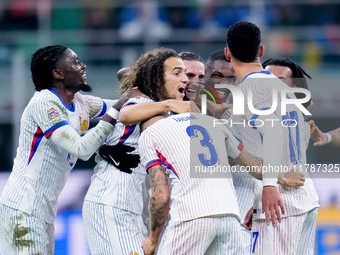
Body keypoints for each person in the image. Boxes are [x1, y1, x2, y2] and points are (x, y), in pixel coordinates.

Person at [0, 45, 121, 254]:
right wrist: (117, 111)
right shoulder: (45, 102)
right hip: (24, 209)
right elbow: (81, 148)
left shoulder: (81, 102)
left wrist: (166, 102)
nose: (82, 65)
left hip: (41, 213)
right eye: (75, 61)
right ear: (58, 73)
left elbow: (125, 109)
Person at [83, 47, 199, 255]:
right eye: (178, 73)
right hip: (113, 203)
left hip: (131, 207)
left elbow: (126, 73)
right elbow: (127, 113)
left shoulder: (160, 105)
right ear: (156, 79)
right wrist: (169, 102)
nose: (186, 80)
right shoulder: (144, 102)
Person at [139, 112, 305, 255]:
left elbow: (161, 196)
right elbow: (252, 163)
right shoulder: (211, 122)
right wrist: (280, 175)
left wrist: (153, 240)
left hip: (190, 217)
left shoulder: (150, 134)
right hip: (230, 218)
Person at [225, 21, 319, 254]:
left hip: (280, 203)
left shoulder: (251, 87)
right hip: (303, 196)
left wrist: (268, 186)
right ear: (261, 51)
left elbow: (273, 129)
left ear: (227, 53)